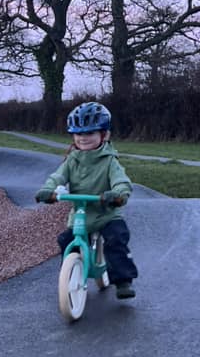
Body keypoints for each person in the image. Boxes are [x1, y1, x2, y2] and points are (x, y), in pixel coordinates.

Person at [35, 101, 138, 299]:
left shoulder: (109, 161)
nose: (83, 138)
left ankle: (123, 280)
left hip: (106, 212)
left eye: (90, 133)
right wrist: (48, 189)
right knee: (66, 240)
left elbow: (121, 181)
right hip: (81, 213)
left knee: (116, 239)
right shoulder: (72, 160)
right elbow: (58, 176)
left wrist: (117, 194)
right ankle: (72, 271)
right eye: (79, 133)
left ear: (104, 135)